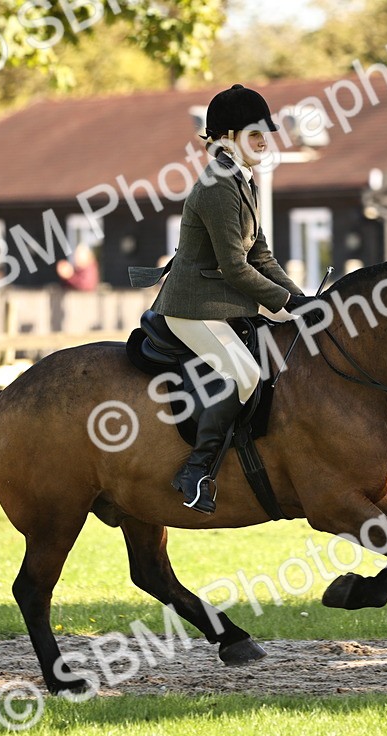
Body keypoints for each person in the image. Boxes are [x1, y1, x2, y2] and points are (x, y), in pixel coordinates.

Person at [135, 83, 313, 514]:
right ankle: (195, 472)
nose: (264, 143)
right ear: (229, 137)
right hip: (191, 308)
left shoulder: (241, 181)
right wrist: (284, 305)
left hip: (220, 307)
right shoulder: (218, 184)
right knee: (247, 375)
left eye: (265, 135)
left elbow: (261, 255)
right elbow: (235, 267)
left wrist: (302, 298)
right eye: (256, 135)